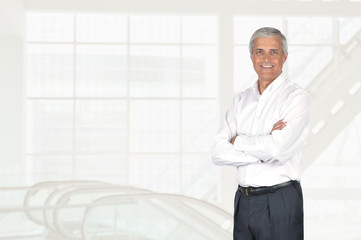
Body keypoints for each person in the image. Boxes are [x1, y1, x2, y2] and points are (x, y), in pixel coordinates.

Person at [212, 27, 310, 240]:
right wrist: (263, 146)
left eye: (273, 52)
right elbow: (218, 152)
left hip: (280, 201)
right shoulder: (241, 100)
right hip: (244, 201)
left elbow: (277, 149)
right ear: (251, 57)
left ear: (284, 56)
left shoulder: (296, 98)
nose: (266, 58)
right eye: (260, 52)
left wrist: (237, 141)